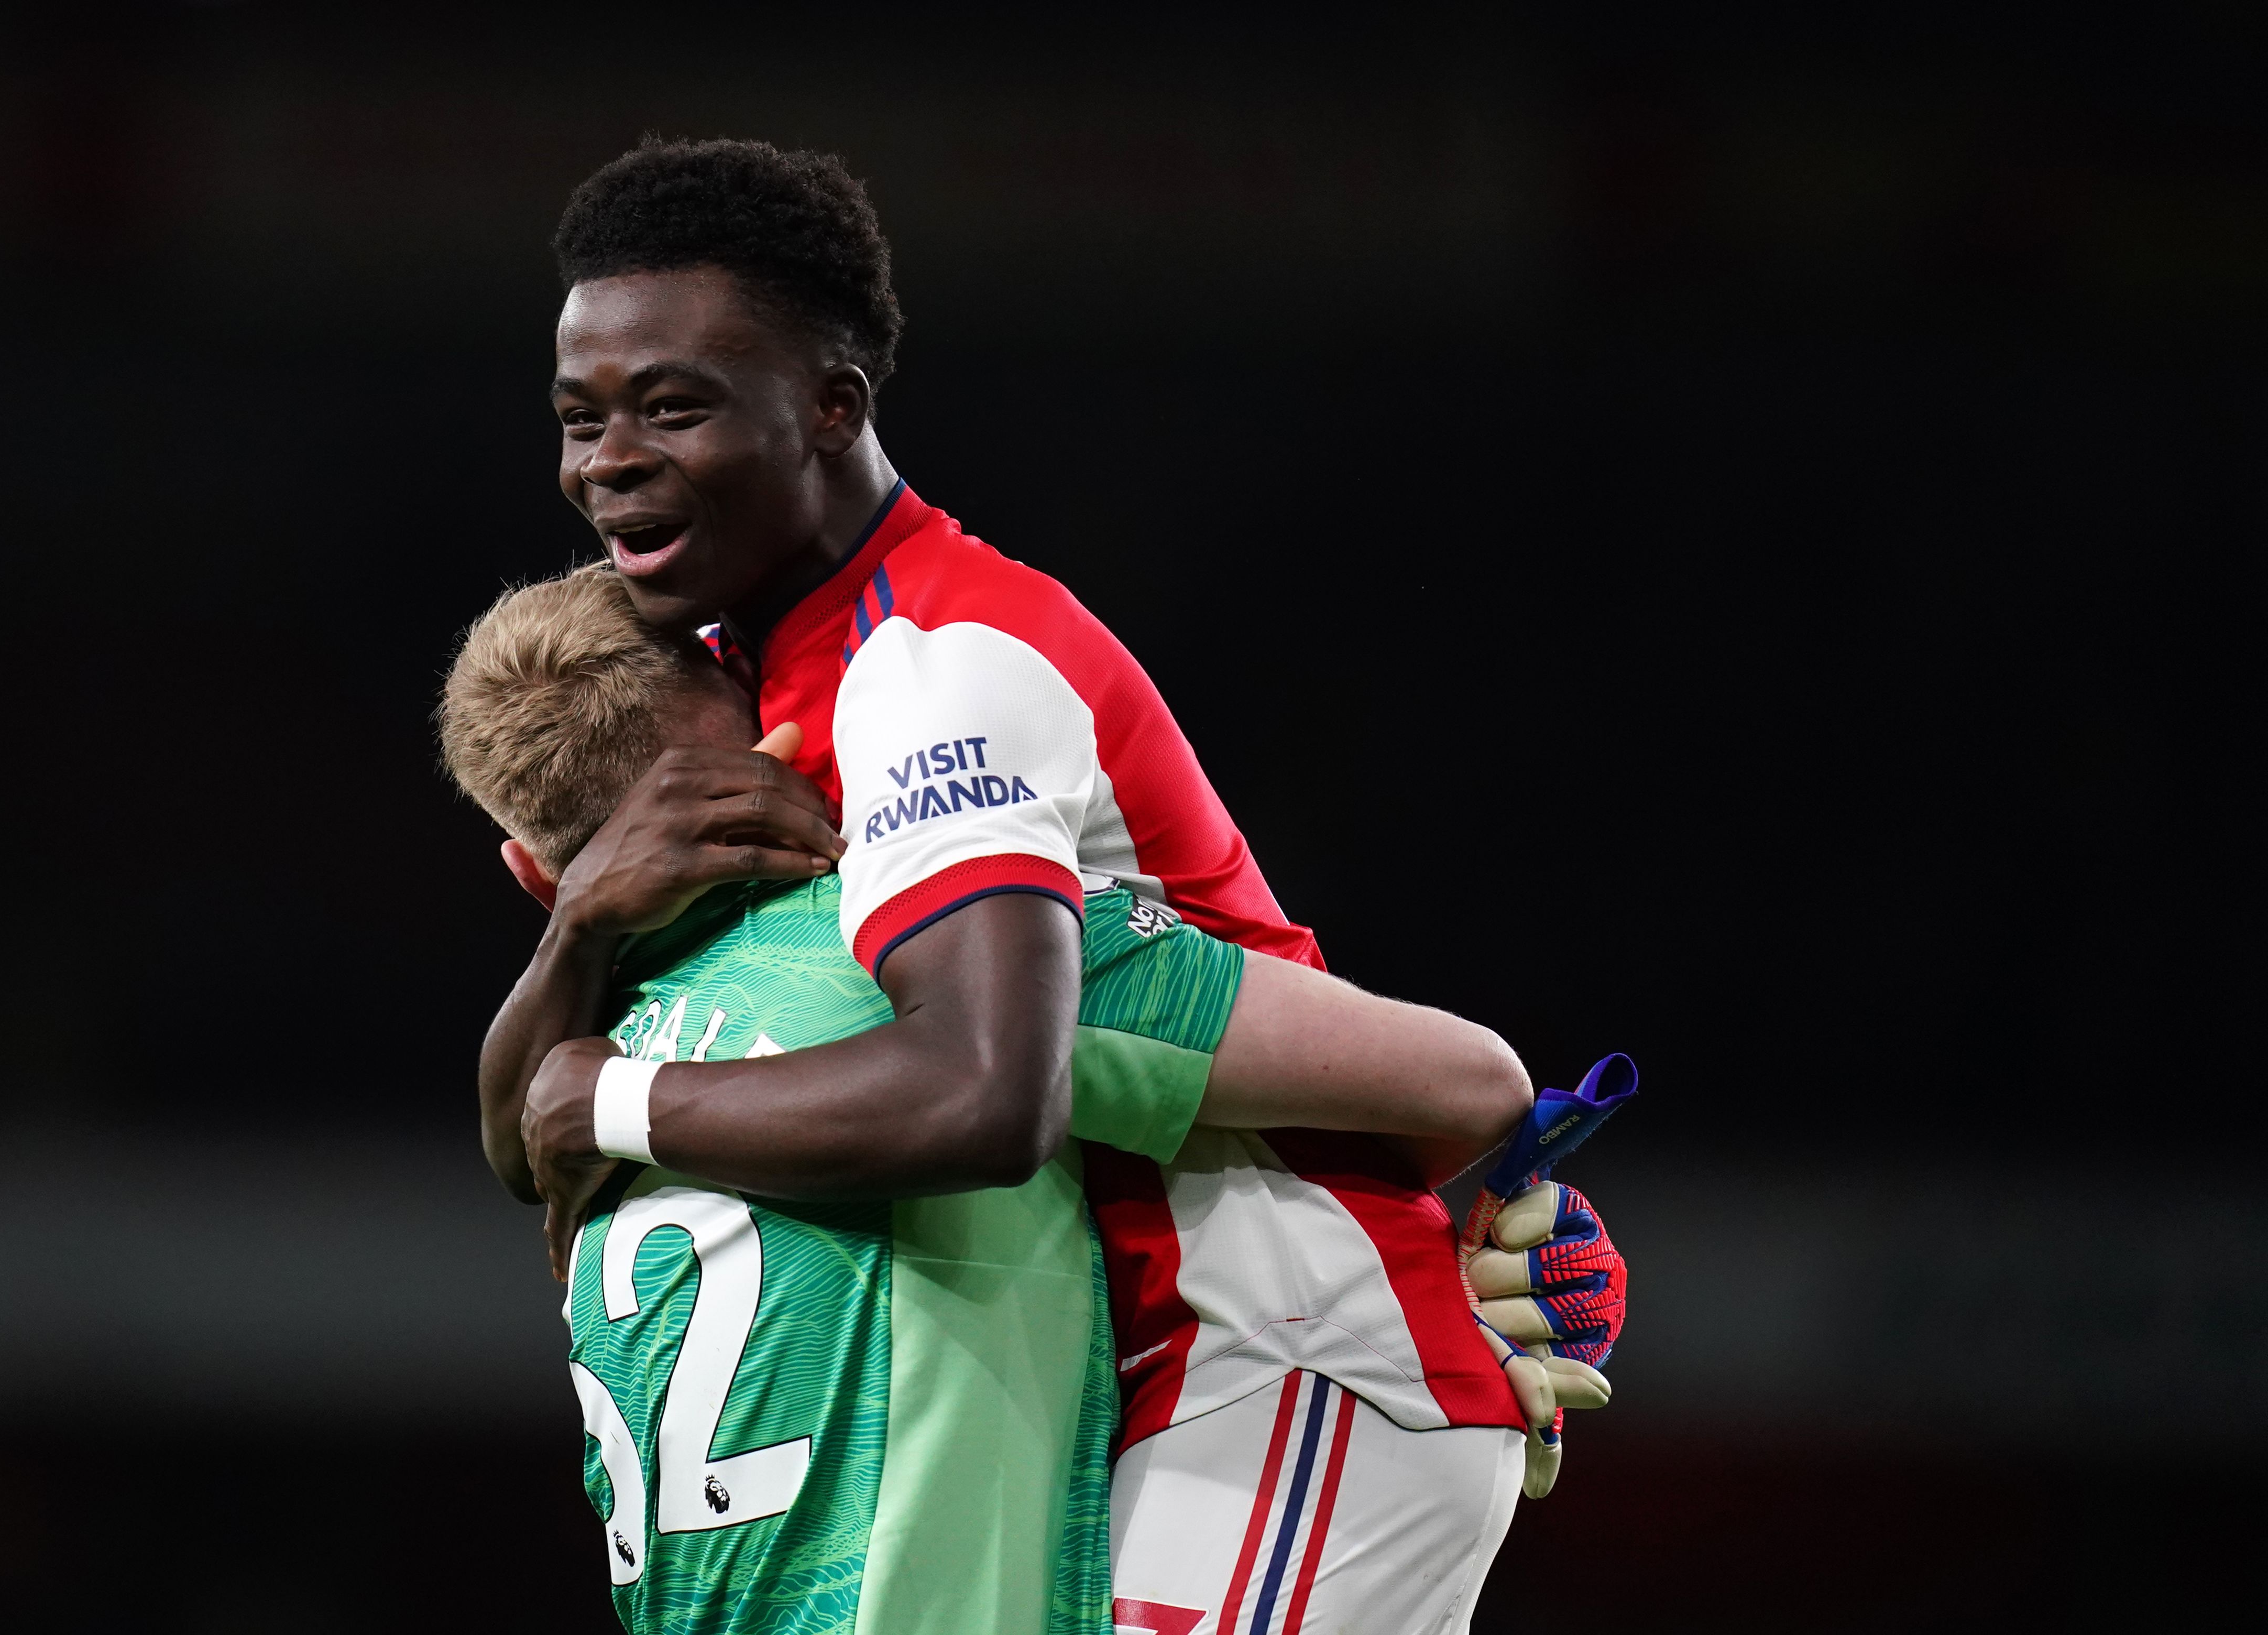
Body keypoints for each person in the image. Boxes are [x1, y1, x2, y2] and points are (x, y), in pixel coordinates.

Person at [480, 138, 1630, 1632]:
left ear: (833, 407)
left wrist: (612, 1099)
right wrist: (580, 950)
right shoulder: (745, 684)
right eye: (581, 418)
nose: (609, 460)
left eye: (672, 405)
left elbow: (985, 1092)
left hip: (1278, 1348)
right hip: (1148, 1376)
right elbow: (532, 1132)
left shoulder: (936, 672)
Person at [440, 565, 1556, 1633]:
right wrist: (1458, 1240)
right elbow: (1470, 1083)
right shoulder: (950, 946)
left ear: (533, 875)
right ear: (778, 746)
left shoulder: (574, 1083)